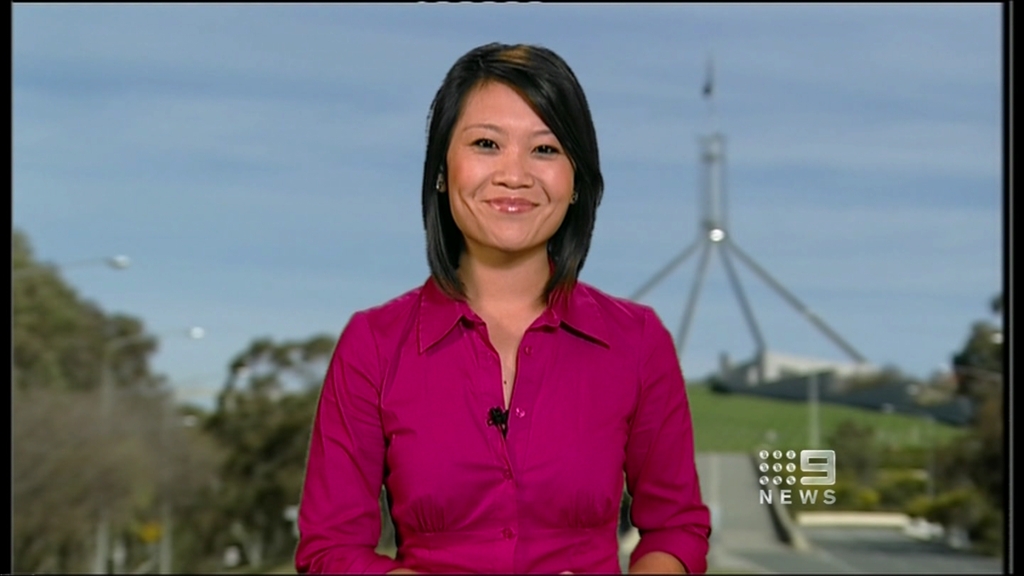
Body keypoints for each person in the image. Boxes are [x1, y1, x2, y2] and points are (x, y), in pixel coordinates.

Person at [295, 42, 711, 574]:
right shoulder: (372, 344)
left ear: (576, 180)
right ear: (441, 170)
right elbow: (328, 551)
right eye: (487, 144)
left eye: (545, 149)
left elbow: (676, 528)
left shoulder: (639, 341)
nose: (515, 175)